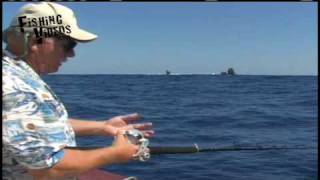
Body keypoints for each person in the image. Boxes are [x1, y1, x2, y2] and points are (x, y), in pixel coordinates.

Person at [2, 2, 154, 180]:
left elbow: (35, 123)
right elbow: (46, 168)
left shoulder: (16, 75)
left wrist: (102, 127)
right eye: (68, 45)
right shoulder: (14, 86)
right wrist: (114, 153)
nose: (71, 54)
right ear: (36, 41)